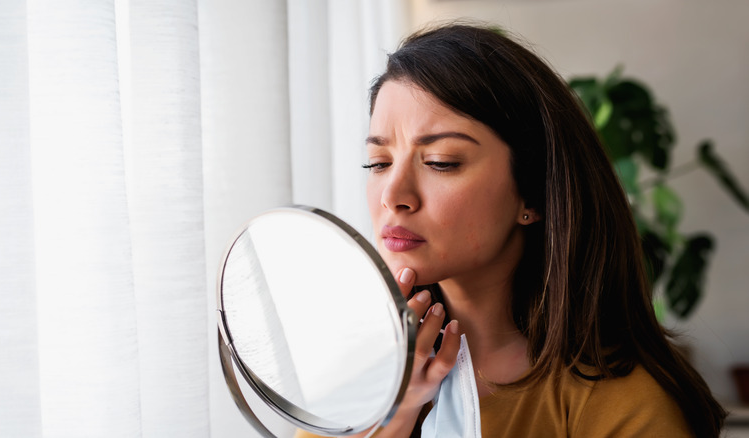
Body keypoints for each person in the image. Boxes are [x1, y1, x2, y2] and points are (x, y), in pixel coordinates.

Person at [299, 21, 726, 437]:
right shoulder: (362, 382)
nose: (393, 194)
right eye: (379, 163)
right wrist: (393, 417)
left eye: (441, 162)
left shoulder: (624, 406)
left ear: (533, 195)